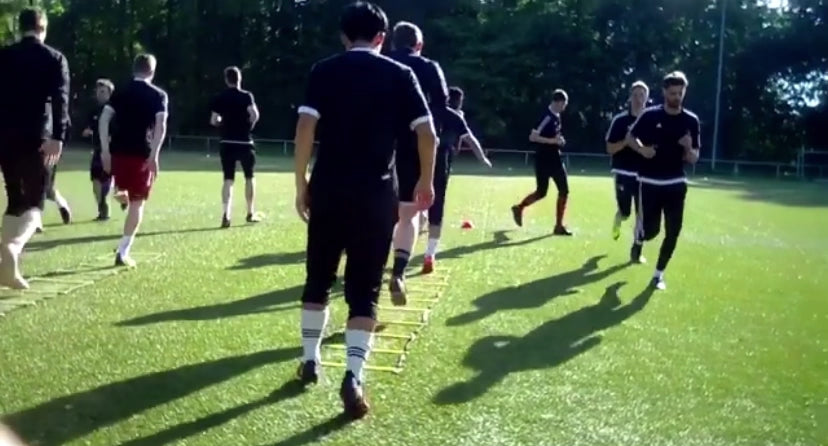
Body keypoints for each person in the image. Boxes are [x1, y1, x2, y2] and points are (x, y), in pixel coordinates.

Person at [293, 1, 435, 419]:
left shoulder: (324, 70)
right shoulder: (400, 73)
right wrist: (426, 180)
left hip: (329, 188)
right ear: (381, 38)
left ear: (343, 35)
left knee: (318, 279)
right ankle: (353, 377)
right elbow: (427, 132)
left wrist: (301, 182)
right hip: (376, 193)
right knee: (364, 290)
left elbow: (305, 127)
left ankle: (310, 359)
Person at [0, 8, 69, 289]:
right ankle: (13, 247)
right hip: (37, 138)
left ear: (20, 27)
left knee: (14, 200)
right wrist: (59, 136)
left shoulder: (4, 56)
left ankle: (6, 269)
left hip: (5, 138)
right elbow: (60, 99)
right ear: (43, 28)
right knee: (35, 205)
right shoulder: (54, 58)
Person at [387, 20, 449, 302]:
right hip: (416, 145)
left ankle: (368, 267)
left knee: (378, 211)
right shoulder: (429, 67)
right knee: (409, 213)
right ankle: (399, 271)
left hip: (380, 144)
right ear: (419, 44)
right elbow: (441, 106)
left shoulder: (382, 64)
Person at [628, 71, 700, 290]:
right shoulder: (650, 116)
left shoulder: (691, 121)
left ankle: (658, 275)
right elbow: (630, 137)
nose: (676, 97)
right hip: (649, 182)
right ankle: (639, 239)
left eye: (680, 93)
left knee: (673, 231)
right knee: (652, 231)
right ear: (664, 92)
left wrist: (688, 147)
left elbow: (694, 158)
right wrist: (642, 150)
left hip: (676, 184)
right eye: (672, 93)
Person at [99, 54, 169, 268]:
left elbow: (104, 119)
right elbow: (161, 126)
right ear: (152, 71)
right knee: (138, 203)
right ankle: (123, 251)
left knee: (122, 190)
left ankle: (121, 194)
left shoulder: (120, 91)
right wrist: (154, 155)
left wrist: (105, 151)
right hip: (141, 154)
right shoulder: (158, 95)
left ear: (134, 69)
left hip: (118, 152)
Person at [422, 86, 492, 274]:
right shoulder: (454, 116)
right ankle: (430, 254)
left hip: (419, 158)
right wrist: (482, 158)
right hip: (441, 160)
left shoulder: (423, 110)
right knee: (437, 204)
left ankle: (401, 253)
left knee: (411, 203)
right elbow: (470, 139)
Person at [511, 89, 573, 235]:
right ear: (558, 102)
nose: (565, 107)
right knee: (541, 192)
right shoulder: (546, 117)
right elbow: (533, 137)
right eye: (564, 104)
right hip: (544, 160)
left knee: (563, 190)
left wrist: (560, 140)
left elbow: (555, 135)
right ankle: (519, 208)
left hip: (555, 158)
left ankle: (558, 226)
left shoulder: (557, 116)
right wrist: (552, 141)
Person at [210, 66, 262, 228]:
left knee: (228, 178)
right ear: (240, 79)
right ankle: (250, 212)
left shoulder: (220, 97)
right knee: (249, 176)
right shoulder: (247, 96)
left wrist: (223, 124)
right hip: (245, 141)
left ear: (226, 80)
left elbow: (213, 120)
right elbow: (255, 115)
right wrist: (249, 125)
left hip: (227, 142)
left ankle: (226, 214)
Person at [605, 81, 649, 262]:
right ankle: (619, 216)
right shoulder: (620, 120)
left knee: (642, 213)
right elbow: (609, 148)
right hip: (623, 172)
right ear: (630, 97)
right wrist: (626, 142)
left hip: (644, 174)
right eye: (635, 95)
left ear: (647, 98)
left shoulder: (651, 120)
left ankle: (636, 250)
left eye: (642, 95)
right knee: (626, 212)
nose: (638, 99)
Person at [83, 78, 116, 221]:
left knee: (107, 179)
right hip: (97, 149)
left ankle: (106, 207)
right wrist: (88, 131)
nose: (99, 94)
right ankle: (102, 207)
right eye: (98, 91)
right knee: (95, 180)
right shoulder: (94, 110)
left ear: (109, 93)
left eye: (103, 91)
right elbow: (89, 126)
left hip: (111, 151)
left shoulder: (114, 110)